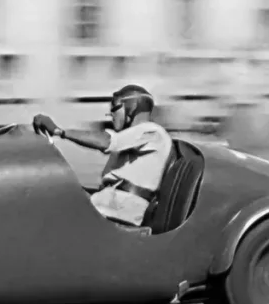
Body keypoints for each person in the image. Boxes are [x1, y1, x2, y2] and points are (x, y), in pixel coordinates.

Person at [33, 84, 173, 227]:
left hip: (120, 213)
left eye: (114, 108)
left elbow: (106, 141)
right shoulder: (131, 140)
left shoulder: (152, 132)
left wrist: (59, 132)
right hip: (108, 207)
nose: (111, 114)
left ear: (132, 107)